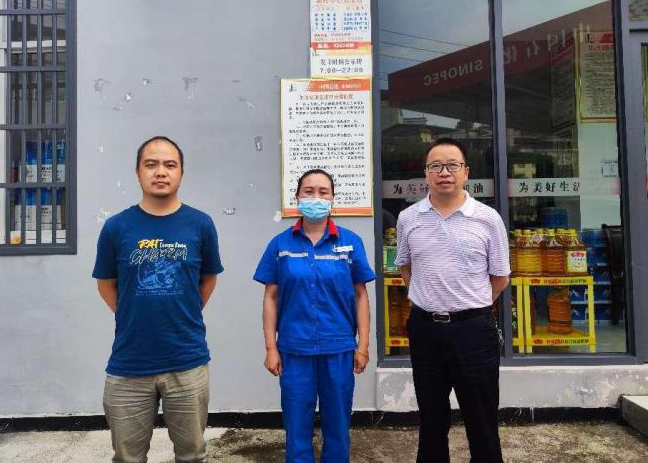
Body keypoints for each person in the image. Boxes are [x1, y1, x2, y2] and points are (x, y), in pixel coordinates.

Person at [92, 136, 223, 463]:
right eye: (151, 164)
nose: (160, 172)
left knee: (192, 455)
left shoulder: (200, 224)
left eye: (169, 165)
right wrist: (131, 313)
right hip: (129, 361)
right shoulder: (116, 227)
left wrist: (183, 311)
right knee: (127, 457)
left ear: (181, 173)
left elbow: (208, 279)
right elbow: (105, 283)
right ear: (137, 172)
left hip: (187, 359)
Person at [395, 137, 510, 463]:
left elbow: (501, 277)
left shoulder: (487, 218)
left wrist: (469, 306)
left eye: (452, 165)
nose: (444, 172)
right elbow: (405, 266)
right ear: (426, 173)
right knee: (431, 417)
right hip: (425, 329)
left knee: (482, 419)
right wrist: (430, 298)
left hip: (473, 331)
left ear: (465, 172)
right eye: (436, 166)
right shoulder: (408, 218)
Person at [253, 169, 375, 463]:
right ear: (297, 197)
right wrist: (271, 348)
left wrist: (362, 346)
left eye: (323, 192)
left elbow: (361, 295)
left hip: (339, 348)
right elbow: (270, 298)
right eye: (309, 191)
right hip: (294, 349)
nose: (316, 198)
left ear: (333, 198)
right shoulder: (281, 244)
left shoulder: (350, 242)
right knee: (296, 423)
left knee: (338, 423)